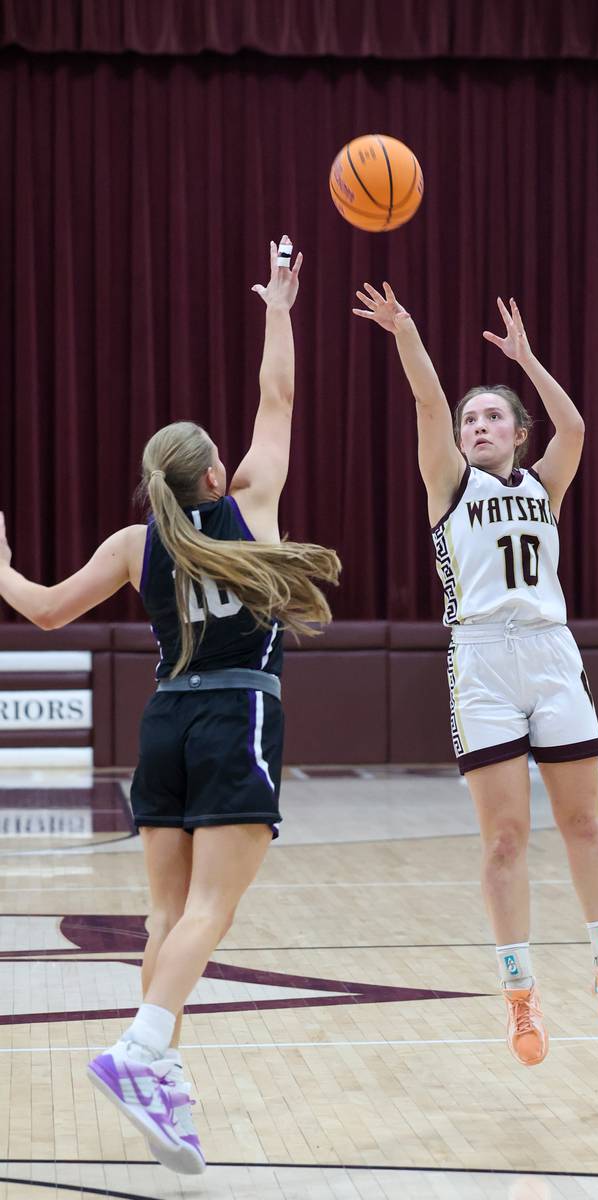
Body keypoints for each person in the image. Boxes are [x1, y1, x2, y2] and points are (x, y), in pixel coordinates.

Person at [0, 236, 340, 1171]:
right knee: (212, 914)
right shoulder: (256, 507)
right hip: (238, 717)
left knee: (166, 916)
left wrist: (1, 567)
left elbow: (42, 611)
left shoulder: (130, 544)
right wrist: (279, 303)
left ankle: (159, 1086)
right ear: (216, 476)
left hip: (164, 724)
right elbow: (279, 398)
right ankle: (142, 1047)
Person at [353, 282, 598, 1066]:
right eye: (470, 417)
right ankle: (520, 996)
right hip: (480, 661)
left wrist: (526, 360)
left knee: (588, 830)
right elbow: (425, 403)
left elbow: (575, 425)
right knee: (505, 841)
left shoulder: (545, 485)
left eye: (492, 417)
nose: (476, 425)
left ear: (518, 433)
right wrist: (408, 333)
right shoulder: (450, 484)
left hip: (551, 657)